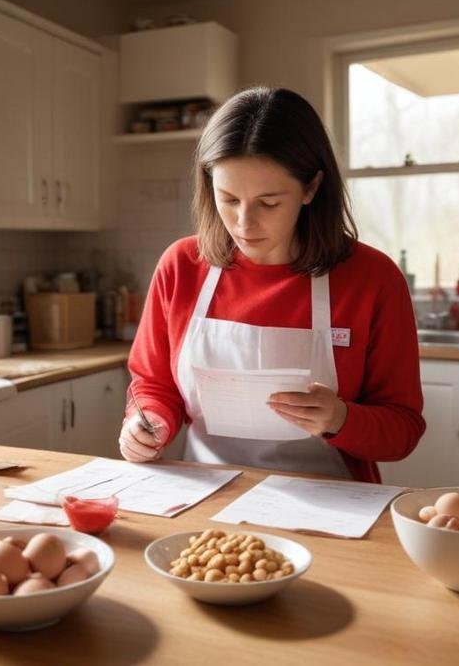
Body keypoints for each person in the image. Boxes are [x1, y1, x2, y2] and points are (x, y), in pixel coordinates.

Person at [119, 86, 425, 483]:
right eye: (228, 199)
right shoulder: (181, 266)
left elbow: (402, 431)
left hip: (333, 504)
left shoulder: (373, 279)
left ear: (311, 188)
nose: (245, 224)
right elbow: (155, 384)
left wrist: (341, 418)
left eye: (268, 203)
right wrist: (148, 424)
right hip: (208, 495)